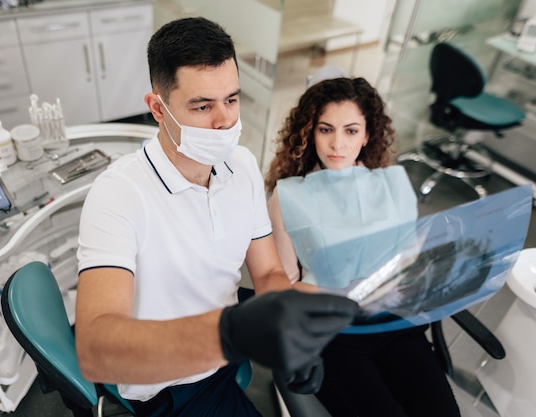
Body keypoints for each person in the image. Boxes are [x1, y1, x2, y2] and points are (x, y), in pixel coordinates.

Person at [75, 17, 359, 417]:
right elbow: (96, 350)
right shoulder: (119, 195)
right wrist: (228, 334)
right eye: (202, 105)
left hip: (228, 347)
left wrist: (293, 344)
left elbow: (268, 274)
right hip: (172, 383)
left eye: (231, 99)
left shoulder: (240, 165)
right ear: (158, 108)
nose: (225, 120)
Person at [265, 74, 461, 417]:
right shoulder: (287, 196)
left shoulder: (393, 185)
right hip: (333, 333)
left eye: (351, 130)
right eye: (326, 129)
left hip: (393, 325)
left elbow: (409, 264)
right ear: (310, 132)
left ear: (368, 134)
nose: (337, 144)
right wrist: (340, 291)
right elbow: (281, 285)